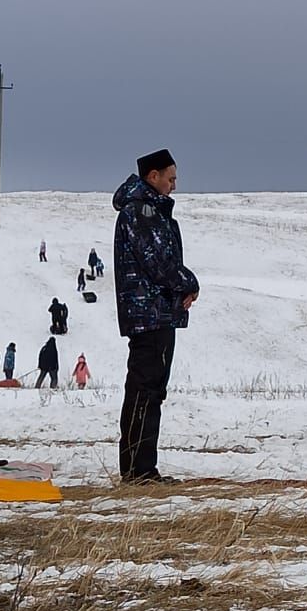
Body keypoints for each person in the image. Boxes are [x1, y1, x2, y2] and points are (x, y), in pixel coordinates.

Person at [113, 147, 199, 484]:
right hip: (149, 314)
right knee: (145, 391)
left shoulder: (148, 211)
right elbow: (158, 262)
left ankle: (141, 467)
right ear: (154, 177)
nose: (174, 186)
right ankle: (139, 469)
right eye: (171, 178)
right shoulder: (143, 213)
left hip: (154, 312)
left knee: (148, 391)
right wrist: (189, 283)